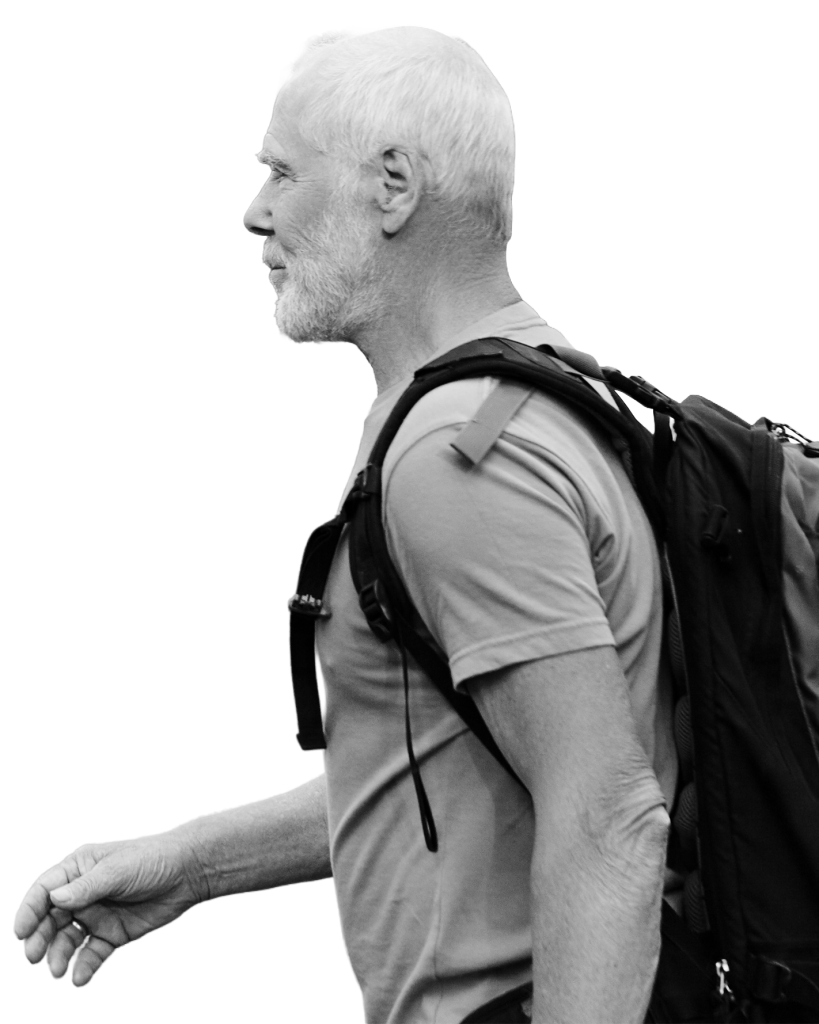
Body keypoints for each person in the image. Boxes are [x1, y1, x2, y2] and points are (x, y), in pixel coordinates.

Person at [13, 25, 683, 1023]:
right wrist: (190, 866)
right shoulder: (552, 394)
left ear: (392, 186)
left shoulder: (461, 459)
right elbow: (441, 769)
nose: (256, 211)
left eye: (282, 172)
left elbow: (609, 819)